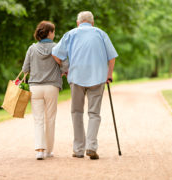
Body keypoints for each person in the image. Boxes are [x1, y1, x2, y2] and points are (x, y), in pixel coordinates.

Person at [52, 11, 118, 160]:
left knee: (77, 113)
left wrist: (65, 68)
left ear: (78, 23)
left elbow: (55, 54)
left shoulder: (70, 34)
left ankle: (78, 149)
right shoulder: (101, 34)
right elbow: (112, 56)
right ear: (92, 23)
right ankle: (91, 146)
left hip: (76, 77)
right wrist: (109, 74)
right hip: (98, 77)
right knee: (94, 114)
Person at [22, 21, 67, 160]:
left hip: (35, 87)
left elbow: (25, 69)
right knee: (50, 119)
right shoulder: (57, 47)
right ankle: (49, 150)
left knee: (38, 119)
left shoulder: (32, 48)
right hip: (52, 87)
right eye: (53, 31)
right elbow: (65, 66)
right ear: (49, 33)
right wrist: (61, 71)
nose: (54, 34)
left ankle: (39, 151)